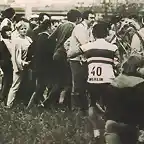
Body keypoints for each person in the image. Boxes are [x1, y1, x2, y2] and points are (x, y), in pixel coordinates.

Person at [68, 22, 119, 139]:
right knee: (110, 106)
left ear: (93, 33)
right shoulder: (113, 47)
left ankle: (96, 130)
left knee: (92, 105)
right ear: (106, 33)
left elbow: (70, 54)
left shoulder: (88, 46)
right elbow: (118, 62)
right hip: (108, 81)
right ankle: (108, 129)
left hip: (93, 80)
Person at [41, 9, 82, 109]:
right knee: (67, 81)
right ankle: (61, 103)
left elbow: (50, 38)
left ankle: (52, 101)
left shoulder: (61, 25)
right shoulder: (74, 27)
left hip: (56, 54)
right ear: (77, 18)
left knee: (59, 80)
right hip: (65, 55)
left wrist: (57, 45)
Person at [104, 55, 144, 144]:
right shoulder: (141, 85)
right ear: (138, 69)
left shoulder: (114, 82)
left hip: (112, 125)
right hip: (132, 127)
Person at [67, 10, 95, 115]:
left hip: (83, 59)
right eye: (91, 18)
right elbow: (86, 44)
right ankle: (75, 109)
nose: (93, 20)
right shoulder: (79, 28)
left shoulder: (88, 29)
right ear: (85, 18)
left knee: (83, 84)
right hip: (76, 59)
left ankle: (83, 108)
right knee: (77, 84)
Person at [6, 20, 32, 108]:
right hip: (20, 65)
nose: (24, 30)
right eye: (22, 29)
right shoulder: (17, 41)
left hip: (29, 64)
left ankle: (28, 102)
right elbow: (15, 56)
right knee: (15, 85)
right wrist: (22, 63)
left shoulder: (28, 39)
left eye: (25, 28)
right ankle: (9, 104)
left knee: (29, 84)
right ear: (18, 30)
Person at [0, 26, 13, 104]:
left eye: (10, 31)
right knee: (7, 80)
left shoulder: (9, 41)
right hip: (6, 63)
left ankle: (3, 96)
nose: (9, 32)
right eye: (7, 31)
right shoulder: (3, 42)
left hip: (8, 63)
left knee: (7, 80)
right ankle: (2, 97)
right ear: (3, 32)